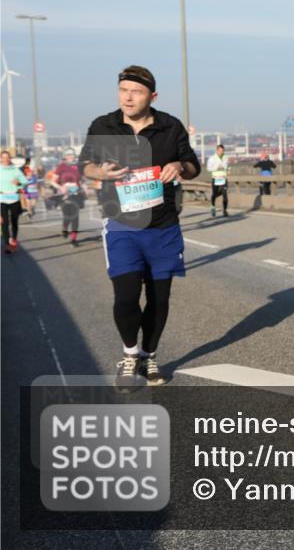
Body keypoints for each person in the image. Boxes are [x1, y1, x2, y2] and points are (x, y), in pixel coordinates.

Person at [78, 65, 201, 389]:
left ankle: (149, 355)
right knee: (126, 297)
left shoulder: (169, 127)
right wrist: (102, 172)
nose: (128, 97)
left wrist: (178, 165)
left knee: (160, 299)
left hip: (163, 226)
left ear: (152, 96)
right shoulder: (103, 126)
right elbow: (85, 164)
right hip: (121, 226)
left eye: (136, 91)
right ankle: (130, 353)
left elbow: (193, 165)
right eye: (123, 90)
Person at [51, 151, 86, 243]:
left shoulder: (78, 167)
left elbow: (82, 180)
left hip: (76, 194)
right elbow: (52, 181)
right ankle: (65, 228)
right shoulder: (61, 167)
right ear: (65, 157)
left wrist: (84, 188)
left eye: (73, 155)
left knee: (75, 216)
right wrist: (60, 187)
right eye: (68, 155)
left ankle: (73, 238)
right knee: (67, 216)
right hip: (64, 194)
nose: (71, 157)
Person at [1, 150, 28, 254]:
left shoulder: (15, 170)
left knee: (14, 222)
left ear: (9, 159)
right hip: (2, 199)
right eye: (3, 157)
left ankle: (14, 240)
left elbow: (25, 182)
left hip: (14, 198)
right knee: (4, 223)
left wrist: (19, 183)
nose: (5, 159)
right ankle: (7, 245)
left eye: (7, 157)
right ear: (0, 159)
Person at [206, 144, 229, 217]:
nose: (221, 152)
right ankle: (213, 206)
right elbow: (208, 168)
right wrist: (216, 167)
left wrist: (228, 169)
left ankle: (224, 210)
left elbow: (227, 167)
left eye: (222, 151)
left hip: (223, 178)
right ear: (217, 150)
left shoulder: (226, 157)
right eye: (220, 151)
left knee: (225, 194)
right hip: (215, 178)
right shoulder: (212, 158)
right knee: (215, 194)